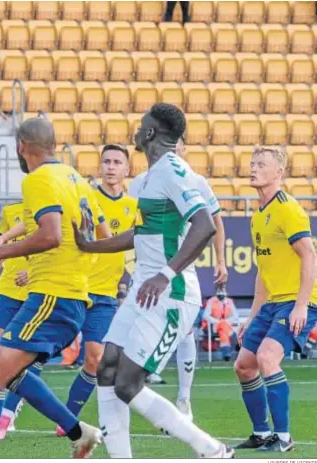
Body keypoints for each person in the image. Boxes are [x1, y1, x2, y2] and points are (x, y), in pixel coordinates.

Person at [73, 103, 233, 458]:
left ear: (149, 134)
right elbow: (141, 233)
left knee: (128, 384)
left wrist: (165, 274)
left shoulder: (174, 171)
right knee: (107, 368)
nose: (137, 129)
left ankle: (212, 450)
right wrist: (90, 245)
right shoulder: (148, 178)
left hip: (169, 293)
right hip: (144, 290)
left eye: (142, 125)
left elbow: (205, 225)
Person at [0, 117, 102, 458]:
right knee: (6, 369)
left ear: (22, 147)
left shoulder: (38, 179)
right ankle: (78, 431)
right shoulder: (76, 180)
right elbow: (99, 238)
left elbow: (51, 234)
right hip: (69, 293)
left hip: (55, 293)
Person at [129, 134, 227, 421]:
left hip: (178, 268)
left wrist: (221, 260)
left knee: (183, 331)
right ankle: (139, 381)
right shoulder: (140, 183)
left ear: (181, 147)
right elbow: (133, 228)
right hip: (144, 270)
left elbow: (214, 221)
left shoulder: (194, 180)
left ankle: (183, 398)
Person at [233, 146, 317, 452]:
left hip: (298, 300)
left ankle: (284, 440)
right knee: (244, 365)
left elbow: (309, 255)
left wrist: (300, 305)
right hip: (271, 303)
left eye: (261, 164)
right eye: (252, 163)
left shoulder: (288, 208)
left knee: (267, 358)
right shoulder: (258, 216)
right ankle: (262, 433)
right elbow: (262, 273)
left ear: (278, 172)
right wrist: (252, 317)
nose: (253, 168)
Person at [56, 144, 135, 437]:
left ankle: (67, 418)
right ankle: (9, 408)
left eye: (117, 162)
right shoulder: (86, 199)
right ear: (100, 167)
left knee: (94, 357)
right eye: (107, 162)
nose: (111, 166)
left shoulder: (134, 208)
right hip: (74, 286)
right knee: (36, 352)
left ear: (127, 169)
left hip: (104, 294)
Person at [0, 202, 33, 440]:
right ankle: (1, 405)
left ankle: (7, 413)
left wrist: (33, 273)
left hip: (38, 290)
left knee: (25, 355)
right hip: (7, 289)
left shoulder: (53, 211)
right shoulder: (10, 211)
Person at [203, 285, 239, 361]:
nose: (221, 292)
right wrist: (217, 321)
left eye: (223, 290)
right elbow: (205, 315)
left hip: (226, 325)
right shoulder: (211, 301)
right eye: (219, 291)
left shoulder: (229, 301)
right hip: (214, 326)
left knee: (223, 331)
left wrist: (227, 321)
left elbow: (235, 315)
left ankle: (226, 352)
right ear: (216, 292)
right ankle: (235, 340)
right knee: (223, 325)